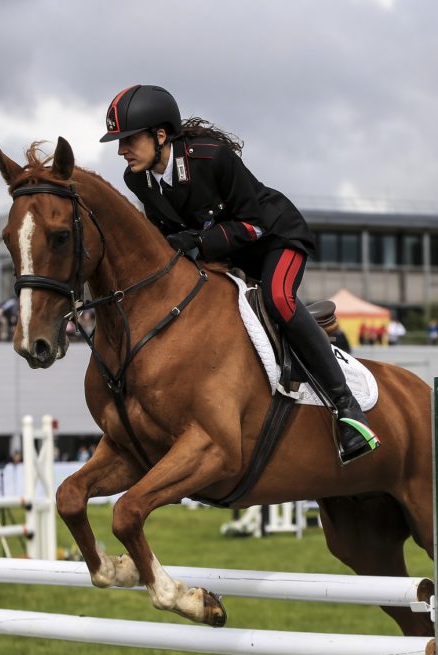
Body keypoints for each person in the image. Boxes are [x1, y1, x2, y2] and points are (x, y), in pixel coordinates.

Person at [99, 84, 378, 463]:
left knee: (278, 300)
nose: (121, 150)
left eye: (128, 139)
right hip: (229, 253)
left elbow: (254, 225)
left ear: (160, 135)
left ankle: (348, 410)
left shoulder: (211, 158)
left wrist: (197, 241)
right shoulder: (139, 180)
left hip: (276, 239)